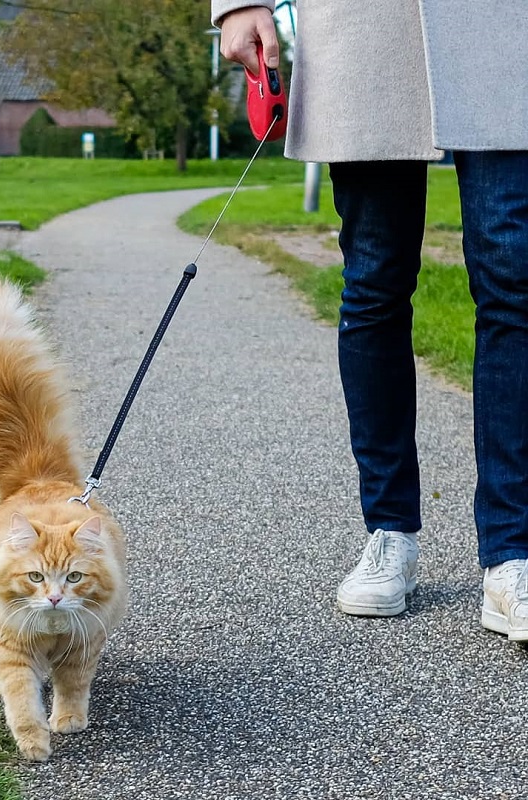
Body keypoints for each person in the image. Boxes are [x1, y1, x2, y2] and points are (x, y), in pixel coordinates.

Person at [211, 0, 528, 640]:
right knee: (375, 280)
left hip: (503, 24)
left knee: (513, 272)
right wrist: (239, 4)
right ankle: (389, 533)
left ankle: (513, 552)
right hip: (365, 29)